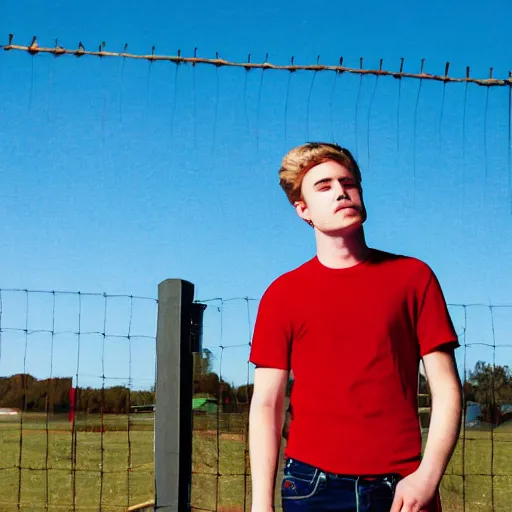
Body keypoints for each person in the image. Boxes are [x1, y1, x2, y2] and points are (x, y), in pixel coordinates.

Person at [248, 142, 462, 512]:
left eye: (347, 182)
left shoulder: (414, 278)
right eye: (324, 186)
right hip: (311, 486)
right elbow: (267, 404)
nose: (341, 191)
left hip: (402, 487)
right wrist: (260, 505)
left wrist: (428, 476)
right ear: (303, 210)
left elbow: (446, 389)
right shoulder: (281, 294)